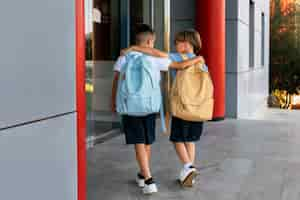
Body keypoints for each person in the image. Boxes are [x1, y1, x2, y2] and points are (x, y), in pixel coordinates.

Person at [111, 24, 204, 194]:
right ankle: (150, 177)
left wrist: (113, 102)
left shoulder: (124, 57)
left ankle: (147, 178)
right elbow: (179, 65)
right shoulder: (156, 60)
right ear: (150, 41)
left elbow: (116, 80)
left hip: (130, 105)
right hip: (151, 106)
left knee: (138, 141)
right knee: (146, 141)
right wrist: (198, 59)